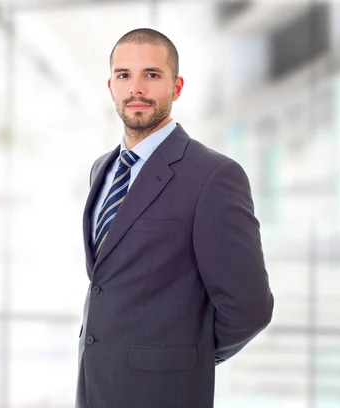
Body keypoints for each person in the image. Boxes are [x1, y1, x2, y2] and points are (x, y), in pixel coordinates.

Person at [76, 28, 274, 408]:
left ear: (177, 86)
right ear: (111, 86)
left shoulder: (213, 176)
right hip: (94, 386)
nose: (136, 88)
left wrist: (187, 357)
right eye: (124, 75)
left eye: (151, 75)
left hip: (166, 393)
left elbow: (250, 308)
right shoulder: (102, 169)